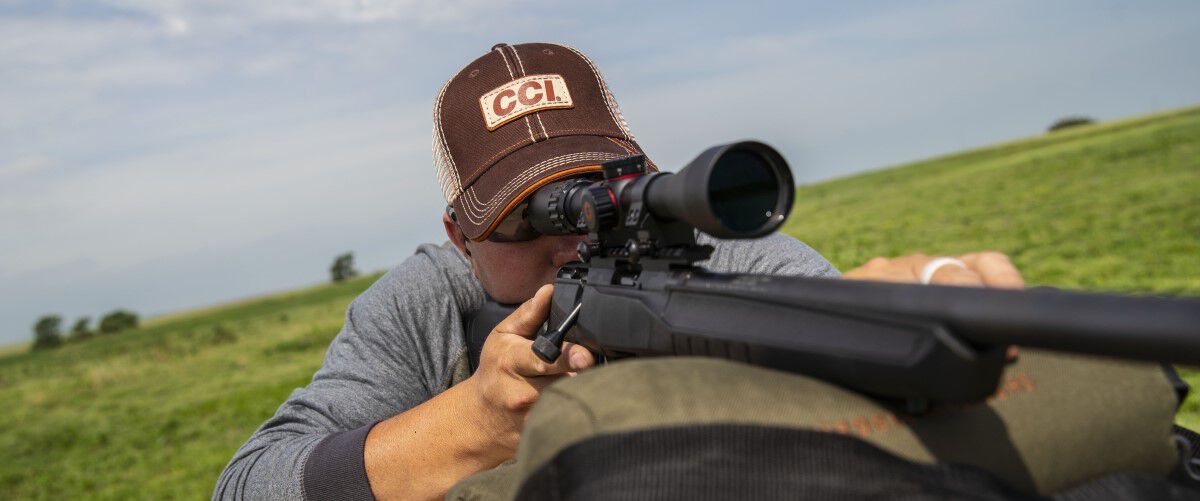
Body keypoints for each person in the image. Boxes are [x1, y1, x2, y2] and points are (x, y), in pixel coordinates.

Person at [212, 42, 1024, 501]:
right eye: (524, 218)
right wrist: (475, 425)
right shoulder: (422, 303)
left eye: (595, 190)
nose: (568, 240)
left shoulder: (700, 251)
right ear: (460, 237)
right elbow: (249, 486)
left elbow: (824, 308)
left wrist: (916, 293)